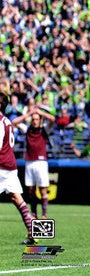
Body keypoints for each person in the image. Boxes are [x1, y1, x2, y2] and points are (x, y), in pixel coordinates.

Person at [0, 93, 35, 245]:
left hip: (1, 166)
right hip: (10, 166)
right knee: (17, 199)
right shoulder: (7, 121)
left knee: (18, 199)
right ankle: (34, 233)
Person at [13, 106, 55, 219]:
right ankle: (34, 214)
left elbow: (52, 119)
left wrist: (40, 112)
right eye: (33, 119)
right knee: (31, 190)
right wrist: (28, 114)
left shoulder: (44, 130)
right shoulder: (27, 129)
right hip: (29, 162)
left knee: (42, 190)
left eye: (37, 119)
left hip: (41, 162)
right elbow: (14, 122)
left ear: (40, 120)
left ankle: (44, 215)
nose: (35, 121)